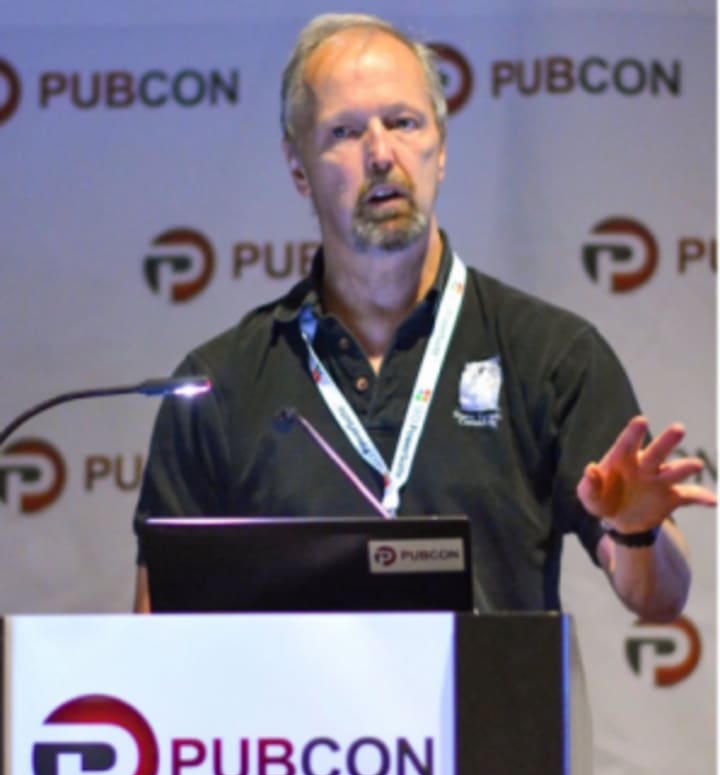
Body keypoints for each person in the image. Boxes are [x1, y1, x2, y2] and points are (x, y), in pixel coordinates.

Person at [132, 13, 715, 616]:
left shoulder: (551, 355)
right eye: (344, 132)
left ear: (441, 148)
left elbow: (659, 598)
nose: (381, 154)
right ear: (298, 168)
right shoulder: (219, 386)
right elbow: (155, 630)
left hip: (493, 683)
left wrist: (637, 530)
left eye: (403, 122)